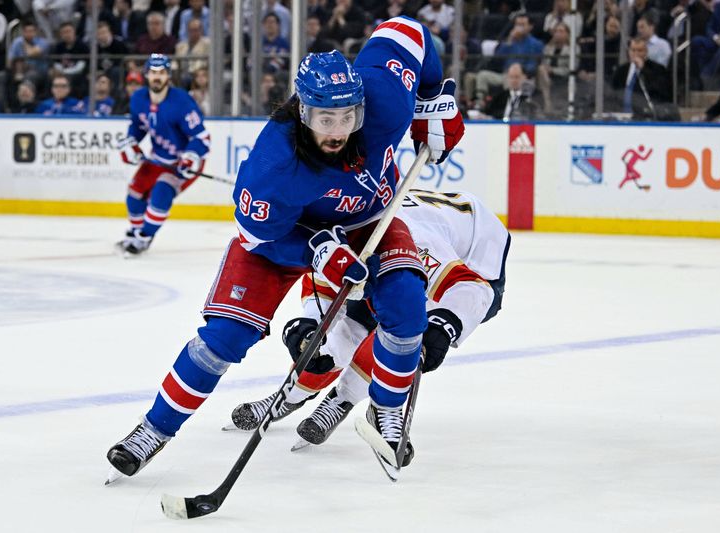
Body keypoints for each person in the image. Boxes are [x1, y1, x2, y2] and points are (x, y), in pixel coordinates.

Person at [106, 17, 465, 480]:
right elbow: (257, 236)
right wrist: (317, 249)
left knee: (406, 307)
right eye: (324, 119)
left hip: (366, 222)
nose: (338, 131)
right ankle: (153, 430)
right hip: (282, 240)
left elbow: (407, 30)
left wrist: (434, 101)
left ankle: (387, 412)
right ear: (302, 112)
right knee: (224, 340)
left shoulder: (385, 100)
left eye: (348, 117)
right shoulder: (273, 165)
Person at [229, 190, 510, 455]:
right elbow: (326, 292)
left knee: (399, 331)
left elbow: (472, 289)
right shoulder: (342, 235)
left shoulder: (416, 245)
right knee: (349, 326)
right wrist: (311, 326)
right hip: (395, 243)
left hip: (478, 259)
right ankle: (292, 393)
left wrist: (445, 326)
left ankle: (344, 399)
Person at [114, 54, 210, 256]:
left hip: (184, 162)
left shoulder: (182, 102)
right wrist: (131, 142)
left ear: (168, 76)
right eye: (154, 73)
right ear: (147, 74)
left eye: (162, 73)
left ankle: (143, 238)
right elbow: (139, 127)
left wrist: (191, 156)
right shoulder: (139, 99)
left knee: (161, 192)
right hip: (158, 157)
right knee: (134, 194)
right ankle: (135, 231)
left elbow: (202, 137)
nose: (157, 77)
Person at [611, 37, 671, 120]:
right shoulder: (621, 70)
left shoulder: (657, 69)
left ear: (646, 52)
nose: (636, 54)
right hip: (622, 114)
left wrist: (643, 70)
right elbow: (614, 90)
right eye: (633, 50)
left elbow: (661, 90)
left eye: (639, 50)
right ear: (629, 52)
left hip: (646, 114)